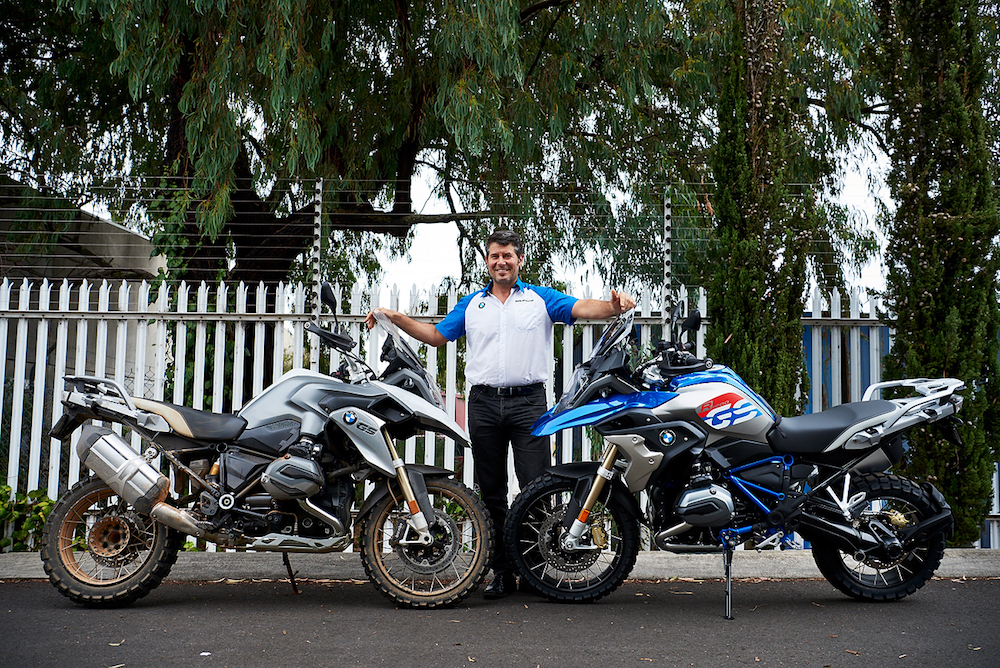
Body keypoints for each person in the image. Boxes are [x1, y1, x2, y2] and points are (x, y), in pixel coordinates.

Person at [365, 229, 636, 599]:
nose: (501, 262)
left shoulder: (539, 299)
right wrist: (393, 316)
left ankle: (536, 569)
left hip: (529, 404)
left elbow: (580, 308)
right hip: (484, 404)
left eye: (508, 255)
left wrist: (614, 306)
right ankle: (502, 572)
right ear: (488, 261)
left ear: (519, 260)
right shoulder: (471, 305)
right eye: (494, 256)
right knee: (491, 490)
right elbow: (435, 335)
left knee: (536, 487)